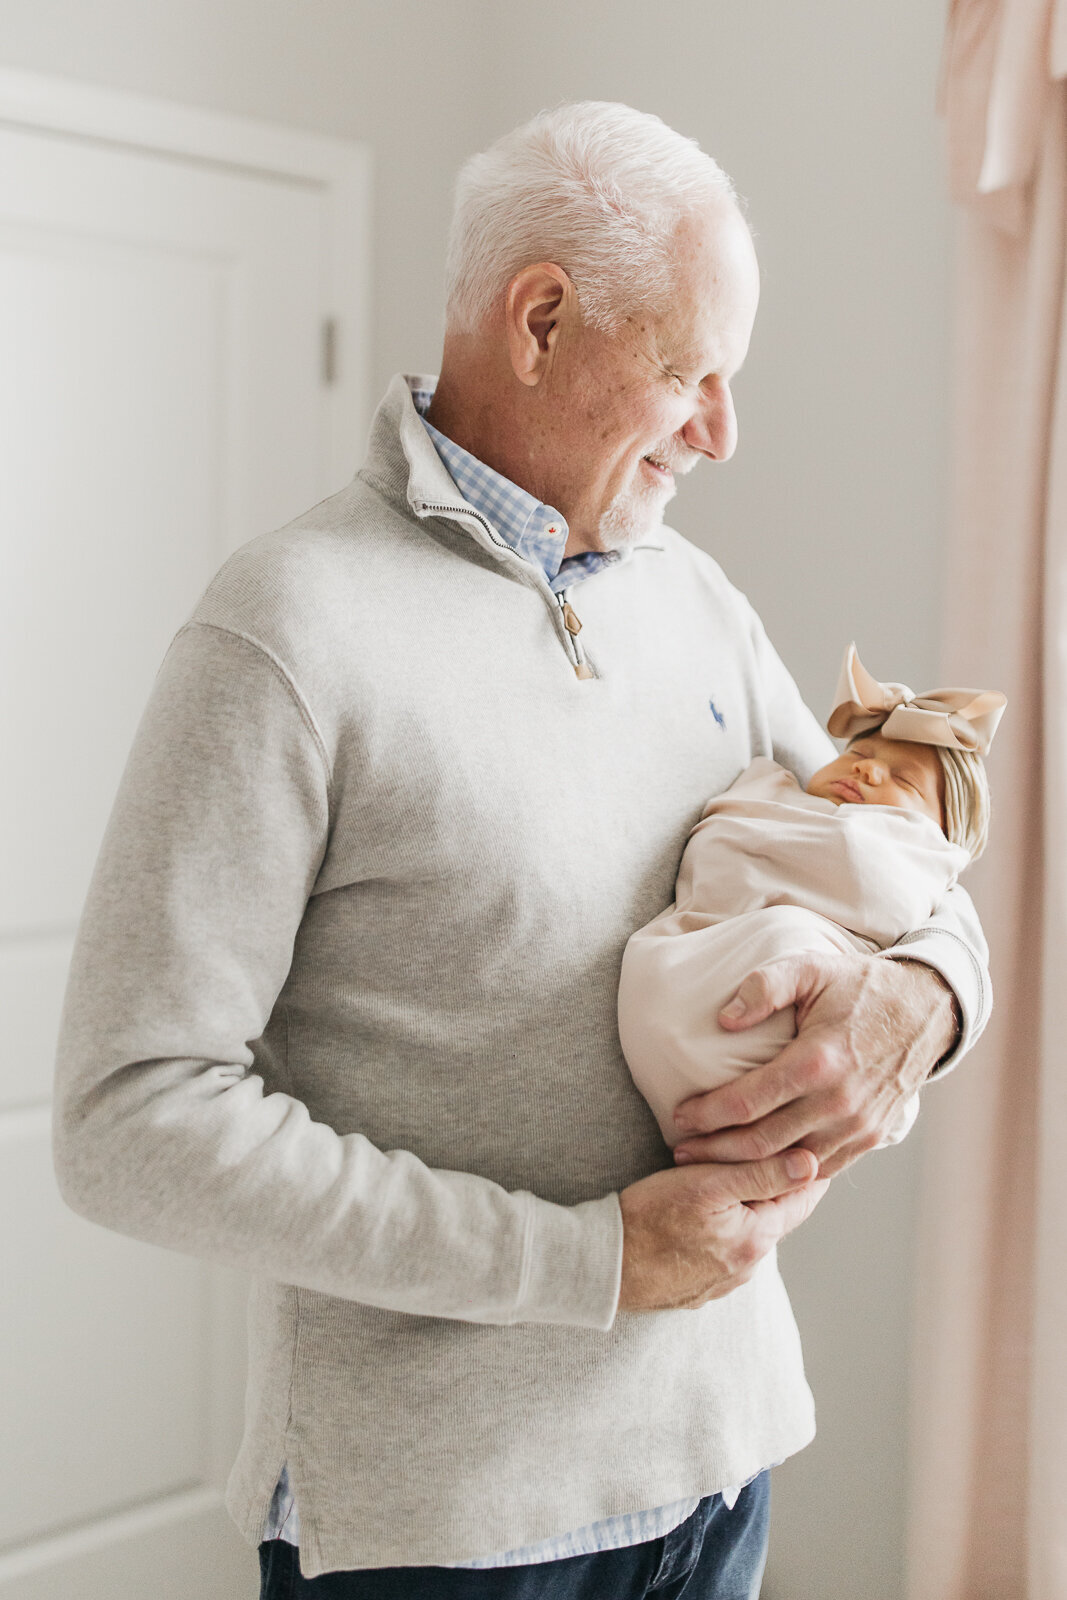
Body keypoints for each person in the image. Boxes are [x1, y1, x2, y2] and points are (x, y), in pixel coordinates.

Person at [52, 103, 991, 1599]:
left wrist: (924, 1004)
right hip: (442, 1535)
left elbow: (897, 855)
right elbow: (129, 1122)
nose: (720, 432)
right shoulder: (285, 632)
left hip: (717, 1460)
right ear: (541, 318)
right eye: (692, 371)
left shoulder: (693, 597)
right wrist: (588, 1265)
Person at [620, 643, 1005, 1152]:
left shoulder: (920, 860)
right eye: (859, 754)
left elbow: (926, 901)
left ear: (941, 836)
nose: (868, 770)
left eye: (905, 780)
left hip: (788, 1013)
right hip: (680, 969)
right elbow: (726, 842)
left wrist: (933, 989)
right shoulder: (772, 796)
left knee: (788, 936)